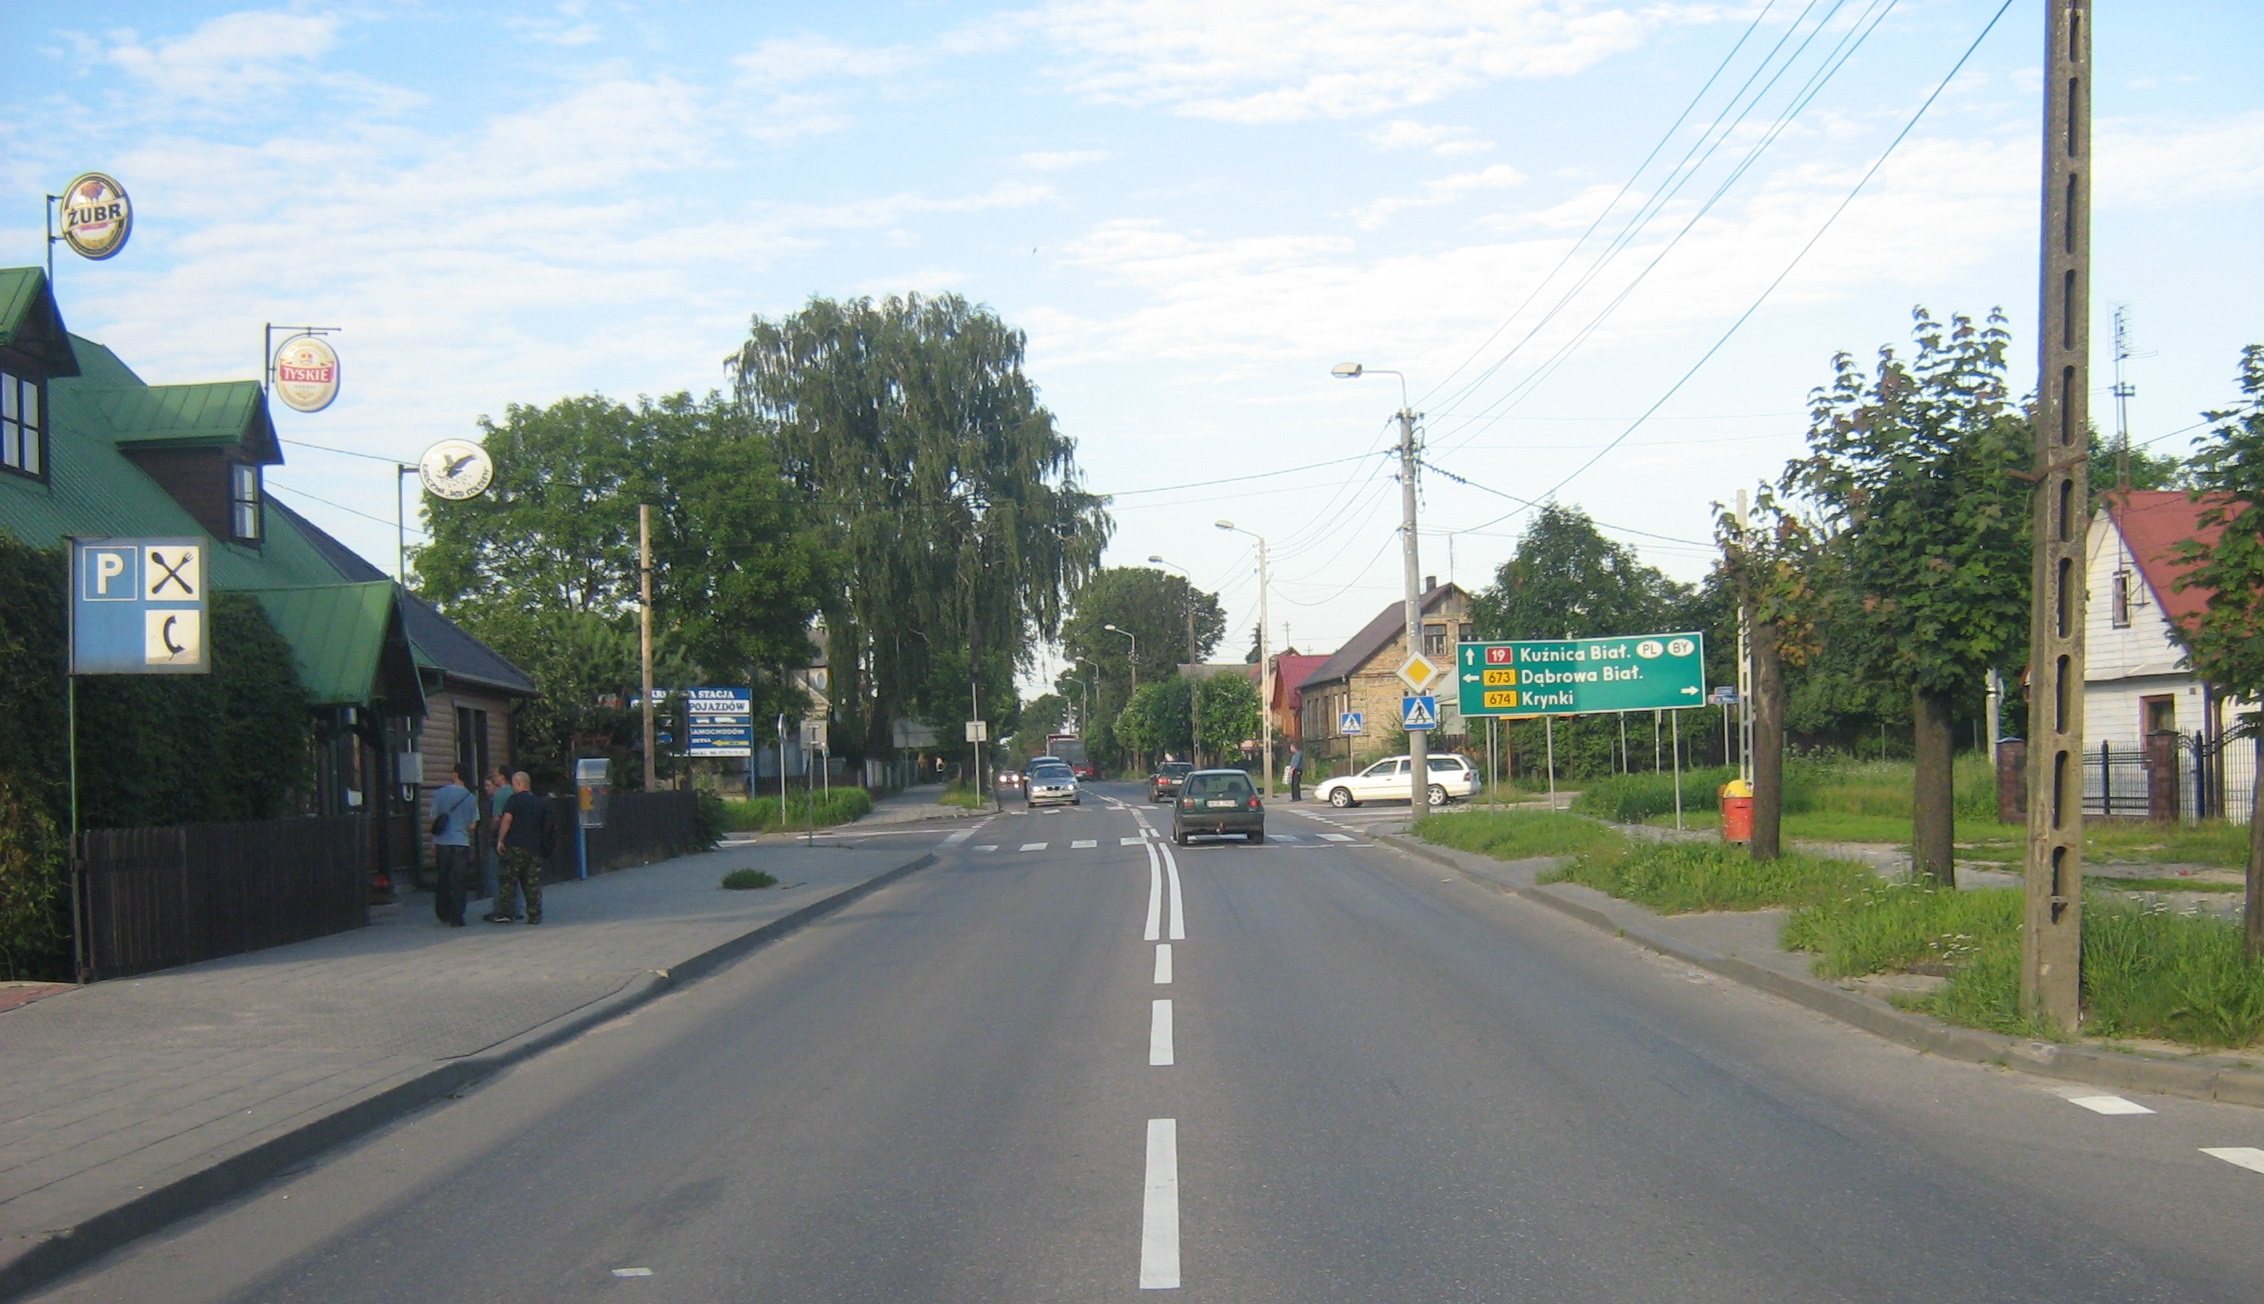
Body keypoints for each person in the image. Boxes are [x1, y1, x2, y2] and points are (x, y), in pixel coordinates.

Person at [489, 771, 549, 925]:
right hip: (534, 847)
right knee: (532, 883)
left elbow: (507, 820)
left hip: (515, 846)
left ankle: (506, 913)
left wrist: (500, 840)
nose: (513, 787)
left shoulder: (514, 800)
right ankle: (534, 914)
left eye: (514, 784)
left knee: (508, 880)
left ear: (520, 783)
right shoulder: (540, 802)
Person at [428, 766, 479, 928]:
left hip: (442, 842)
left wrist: (434, 841)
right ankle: (457, 916)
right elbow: (472, 824)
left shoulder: (440, 793)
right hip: (461, 841)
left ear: (455, 774)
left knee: (443, 877)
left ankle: (443, 911)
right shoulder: (470, 797)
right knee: (459, 879)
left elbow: (434, 819)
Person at [481, 766, 510, 902]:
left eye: (496, 775)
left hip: (499, 838)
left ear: (502, 777)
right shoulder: (514, 791)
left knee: (495, 874)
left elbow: (497, 818)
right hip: (514, 838)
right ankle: (518, 907)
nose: (494, 777)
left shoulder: (500, 795)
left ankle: (499, 907)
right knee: (513, 874)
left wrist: (493, 834)